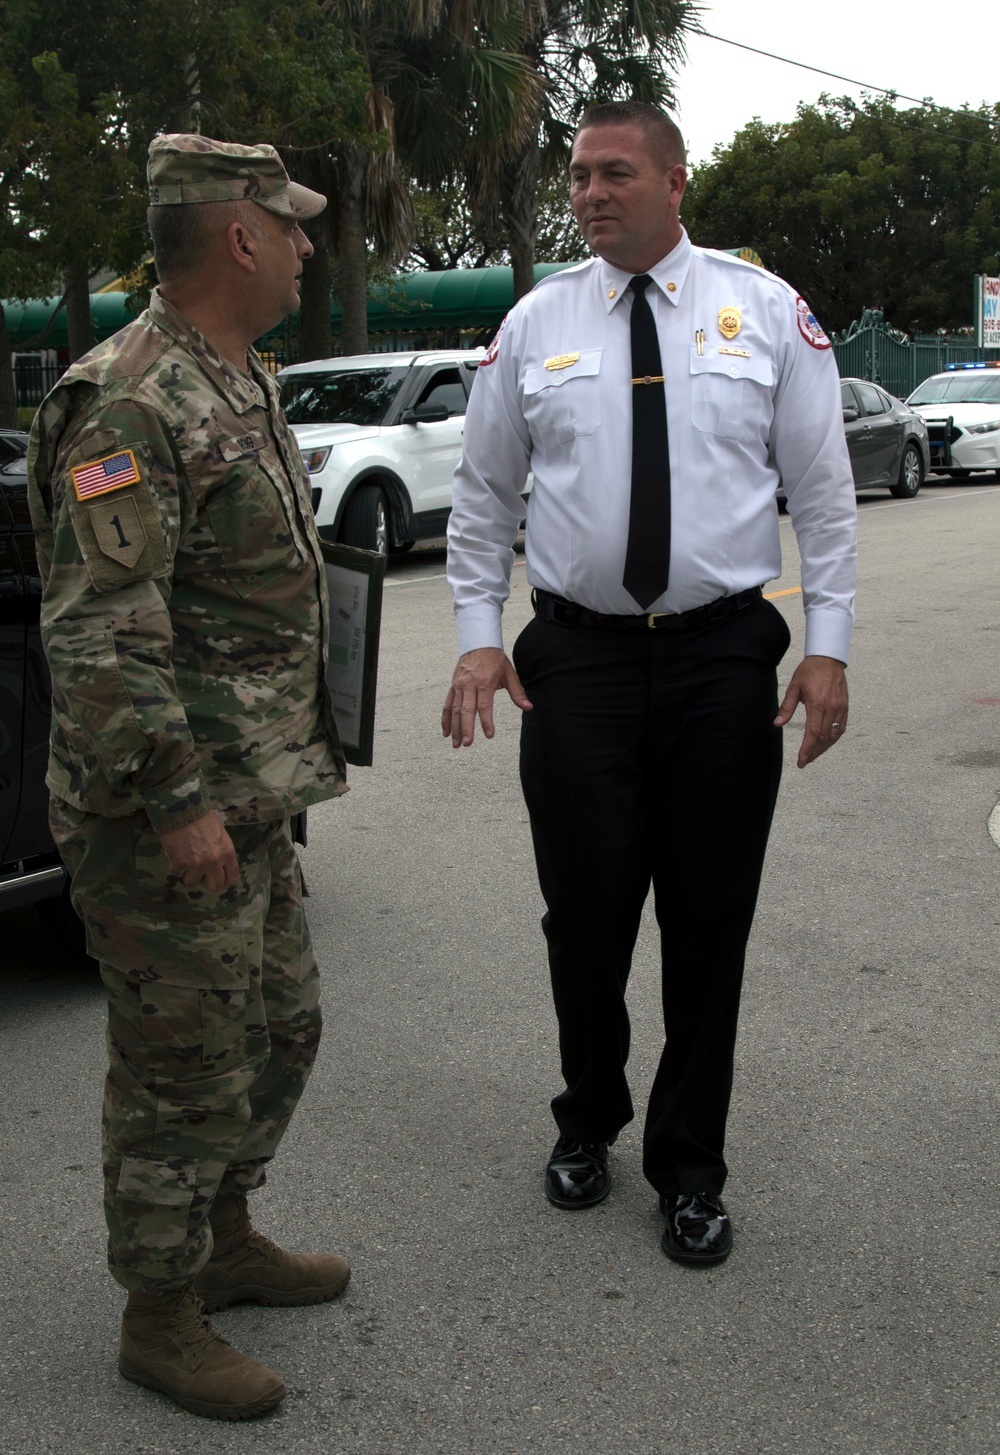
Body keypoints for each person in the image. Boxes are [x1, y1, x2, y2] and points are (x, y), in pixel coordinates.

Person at [442, 101, 857, 1267]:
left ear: (677, 180)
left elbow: (821, 499)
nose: (587, 192)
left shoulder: (765, 313)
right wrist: (481, 638)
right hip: (577, 661)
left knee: (707, 922)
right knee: (583, 916)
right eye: (576, 175)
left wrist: (825, 649)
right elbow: (480, 505)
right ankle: (588, 1119)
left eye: (613, 172)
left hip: (724, 654)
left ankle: (690, 1164)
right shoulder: (536, 324)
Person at [28, 134, 350, 1419]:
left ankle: (221, 1240)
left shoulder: (237, 378)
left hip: (251, 793)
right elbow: (99, 627)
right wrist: (177, 801)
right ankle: (159, 1315)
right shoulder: (129, 399)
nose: (310, 245)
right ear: (241, 237)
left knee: (277, 1030)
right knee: (181, 1062)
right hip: (169, 816)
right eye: (295, 226)